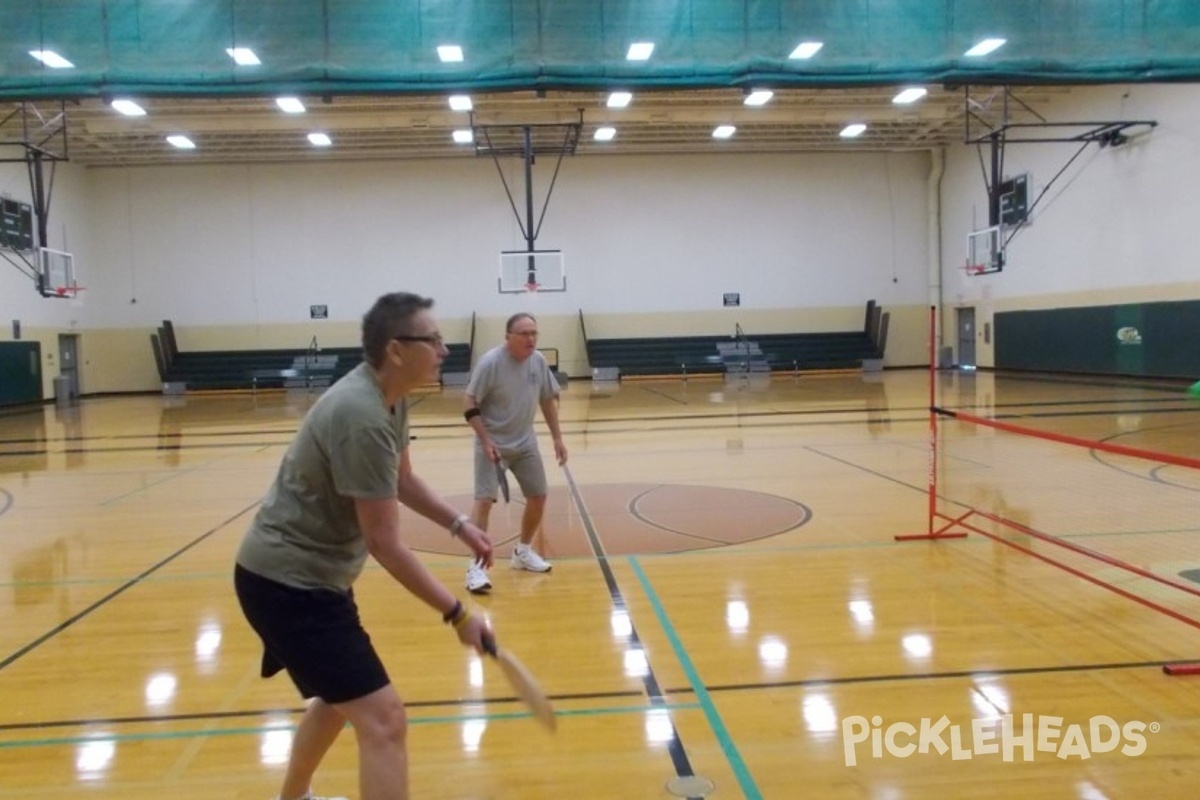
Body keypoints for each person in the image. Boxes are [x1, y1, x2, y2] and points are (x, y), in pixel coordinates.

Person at [234, 291, 494, 800]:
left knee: (338, 699)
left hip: (308, 580)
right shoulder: (362, 415)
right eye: (433, 339)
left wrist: (458, 524)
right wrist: (458, 615)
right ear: (396, 349)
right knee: (384, 720)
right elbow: (385, 542)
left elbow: (401, 480)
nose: (444, 349)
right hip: (288, 585)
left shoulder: (388, 400)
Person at [463, 312, 567, 594]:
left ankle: (522, 552)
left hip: (525, 442)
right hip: (492, 443)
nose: (531, 339)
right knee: (484, 500)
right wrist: (485, 440)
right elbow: (469, 402)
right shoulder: (491, 363)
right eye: (524, 334)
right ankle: (476, 567)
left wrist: (557, 437)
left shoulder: (538, 361)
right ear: (508, 337)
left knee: (538, 495)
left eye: (534, 333)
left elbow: (547, 398)